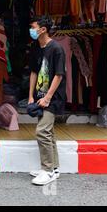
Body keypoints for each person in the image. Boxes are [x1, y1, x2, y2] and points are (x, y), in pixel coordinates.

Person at [28, 16, 66, 186]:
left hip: (53, 98)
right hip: (39, 97)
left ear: (42, 29)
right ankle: (54, 168)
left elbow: (59, 75)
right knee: (48, 133)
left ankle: (47, 170)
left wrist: (48, 97)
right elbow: (34, 72)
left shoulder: (56, 49)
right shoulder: (36, 47)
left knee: (42, 131)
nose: (31, 30)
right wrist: (31, 96)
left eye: (33, 27)